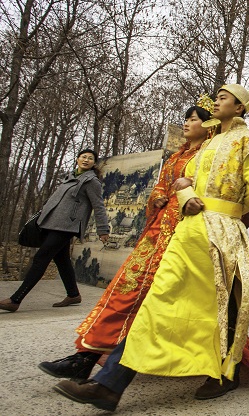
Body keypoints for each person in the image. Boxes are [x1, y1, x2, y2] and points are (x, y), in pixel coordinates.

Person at [53, 83, 249, 411]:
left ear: (240, 108)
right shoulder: (209, 142)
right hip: (190, 232)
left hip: (220, 233)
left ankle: (225, 371)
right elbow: (184, 181)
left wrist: (224, 210)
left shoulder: (248, 140)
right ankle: (110, 384)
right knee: (162, 301)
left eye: (223, 98)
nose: (216, 102)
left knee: (219, 302)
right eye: (216, 97)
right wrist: (187, 196)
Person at [37, 102, 210, 379]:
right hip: (157, 233)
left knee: (149, 299)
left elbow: (209, 193)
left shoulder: (209, 157)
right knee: (124, 291)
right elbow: (159, 188)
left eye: (193, 119)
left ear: (208, 124)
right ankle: (87, 355)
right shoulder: (175, 157)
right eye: (186, 119)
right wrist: (158, 198)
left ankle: (107, 364)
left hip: (184, 235)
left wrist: (188, 190)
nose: (187, 124)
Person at [0, 149, 110, 312]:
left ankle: (16, 299)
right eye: (83, 157)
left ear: (94, 163)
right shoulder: (70, 178)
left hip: (67, 226)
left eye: (90, 158)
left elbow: (98, 206)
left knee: (41, 258)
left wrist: (103, 229)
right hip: (52, 224)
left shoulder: (91, 181)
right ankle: (73, 294)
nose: (86, 160)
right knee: (62, 260)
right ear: (78, 159)